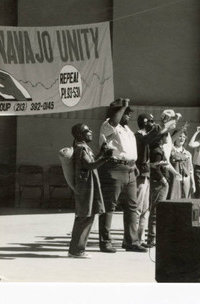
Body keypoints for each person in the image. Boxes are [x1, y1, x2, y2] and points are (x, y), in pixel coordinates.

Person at [97, 98, 146, 253]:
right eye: (125, 113)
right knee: (109, 206)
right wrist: (122, 106)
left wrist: (134, 165)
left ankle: (131, 241)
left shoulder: (127, 130)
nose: (128, 116)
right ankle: (105, 242)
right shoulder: (108, 125)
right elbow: (113, 122)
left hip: (130, 169)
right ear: (115, 113)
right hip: (114, 168)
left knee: (132, 207)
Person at [68, 123, 112, 258]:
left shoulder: (83, 147)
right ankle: (76, 250)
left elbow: (91, 161)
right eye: (87, 130)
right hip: (86, 187)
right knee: (84, 217)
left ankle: (77, 249)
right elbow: (89, 165)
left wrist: (102, 153)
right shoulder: (81, 149)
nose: (91, 132)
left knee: (87, 216)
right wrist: (105, 157)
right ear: (80, 135)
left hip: (88, 186)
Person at [134, 113, 171, 247]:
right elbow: (151, 137)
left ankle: (140, 239)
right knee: (138, 210)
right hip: (140, 176)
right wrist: (162, 124)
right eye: (150, 121)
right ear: (144, 122)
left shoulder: (147, 138)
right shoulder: (139, 135)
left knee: (145, 210)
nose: (152, 123)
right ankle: (133, 240)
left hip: (146, 175)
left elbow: (156, 136)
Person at [146, 133, 182, 246]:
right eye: (166, 136)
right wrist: (164, 181)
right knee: (156, 210)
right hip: (159, 183)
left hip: (162, 183)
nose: (169, 138)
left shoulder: (160, 149)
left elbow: (166, 164)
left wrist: (175, 173)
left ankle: (156, 236)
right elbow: (155, 168)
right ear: (161, 138)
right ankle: (152, 238)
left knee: (159, 210)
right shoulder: (156, 151)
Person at [169, 130, 195, 199]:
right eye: (180, 136)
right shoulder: (170, 151)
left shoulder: (188, 154)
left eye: (184, 137)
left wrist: (193, 184)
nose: (182, 138)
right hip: (174, 182)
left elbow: (191, 170)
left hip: (186, 182)